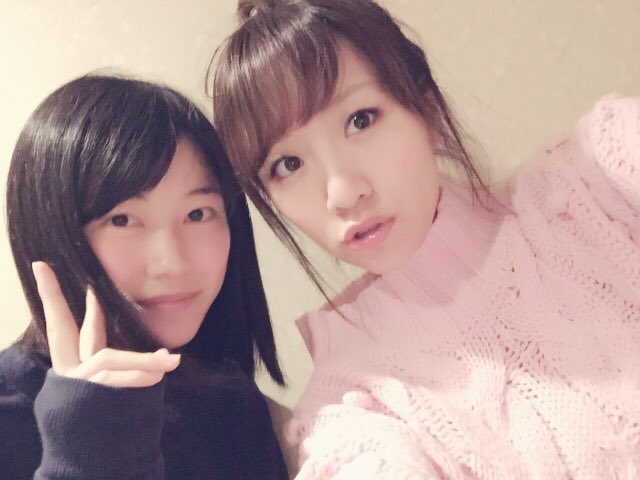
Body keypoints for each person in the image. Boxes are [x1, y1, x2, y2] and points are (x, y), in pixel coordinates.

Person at [210, 0, 640, 478]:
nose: (343, 194)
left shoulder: (597, 180)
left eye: (360, 119)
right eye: (288, 164)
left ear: (427, 112)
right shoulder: (355, 407)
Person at [0, 74, 290, 480]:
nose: (172, 263)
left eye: (197, 214)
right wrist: (87, 455)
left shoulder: (231, 400)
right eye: (122, 219)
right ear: (52, 232)